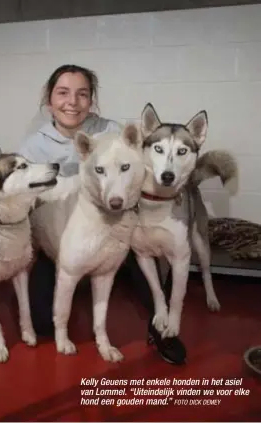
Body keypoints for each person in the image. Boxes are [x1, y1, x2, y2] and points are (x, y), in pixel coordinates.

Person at [18, 64, 186, 365]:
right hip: (58, 228)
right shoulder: (35, 145)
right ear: (49, 100)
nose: (73, 102)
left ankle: (163, 329)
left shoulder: (111, 130)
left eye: (82, 94)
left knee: (147, 257)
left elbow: (148, 164)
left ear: (92, 99)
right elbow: (24, 194)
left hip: (119, 220)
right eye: (63, 93)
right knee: (44, 321)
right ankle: (76, 286)